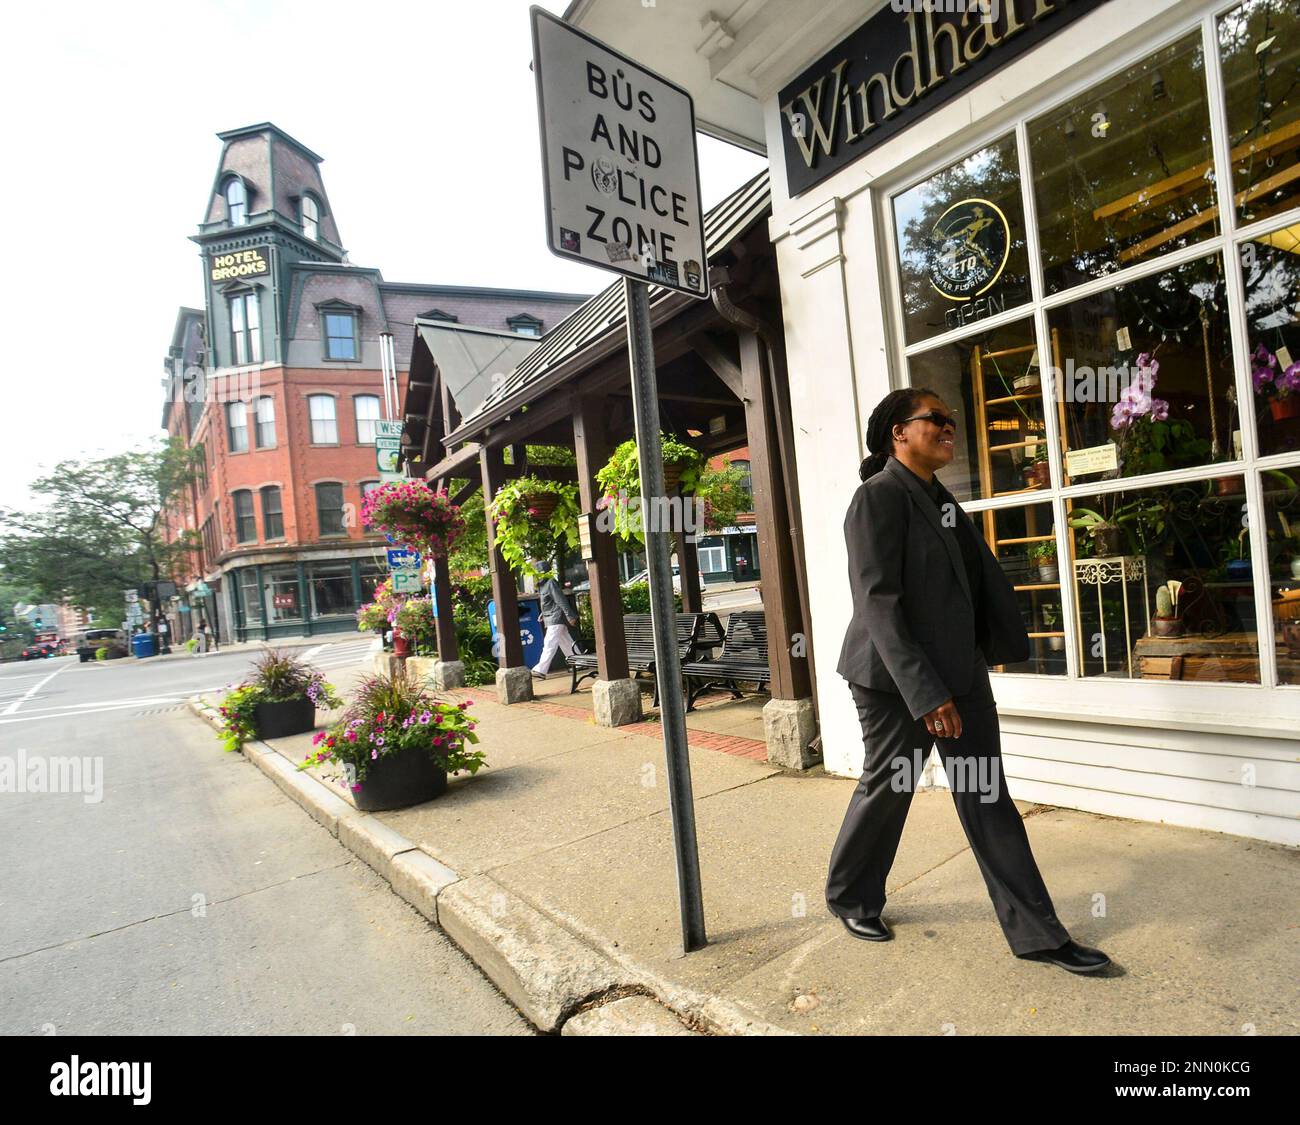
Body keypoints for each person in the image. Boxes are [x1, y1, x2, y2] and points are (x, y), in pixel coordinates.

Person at [826, 387, 1110, 974]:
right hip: (893, 681)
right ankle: (852, 896)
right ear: (899, 432)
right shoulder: (877, 499)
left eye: (952, 420)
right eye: (938, 419)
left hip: (961, 673)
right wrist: (927, 695)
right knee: (891, 784)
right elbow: (879, 604)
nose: (950, 427)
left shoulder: (942, 502)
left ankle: (1039, 934)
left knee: (987, 795)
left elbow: (970, 583)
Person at [531, 572, 580, 680]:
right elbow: (549, 603)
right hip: (552, 617)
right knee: (565, 641)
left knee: (549, 643)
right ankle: (579, 662)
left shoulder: (550, 583)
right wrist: (543, 614)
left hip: (556, 617)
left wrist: (570, 615)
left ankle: (541, 670)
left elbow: (561, 600)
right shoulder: (542, 586)